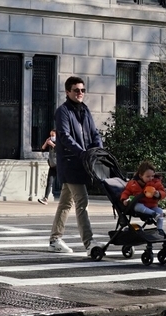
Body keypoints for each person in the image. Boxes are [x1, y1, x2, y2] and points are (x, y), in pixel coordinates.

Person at [48, 76, 103, 255]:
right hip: (71, 163)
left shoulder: (85, 110)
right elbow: (65, 136)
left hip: (83, 163)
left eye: (83, 90)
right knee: (82, 202)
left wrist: (98, 150)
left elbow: (94, 133)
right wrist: (81, 152)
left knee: (65, 202)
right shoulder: (63, 111)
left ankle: (55, 239)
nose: (80, 93)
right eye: (76, 90)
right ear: (68, 92)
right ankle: (89, 243)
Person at [120, 161, 166, 233]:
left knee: (160, 211)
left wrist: (158, 194)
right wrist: (124, 200)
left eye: (152, 176)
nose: (151, 178)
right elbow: (126, 192)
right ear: (141, 176)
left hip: (152, 206)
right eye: (148, 176)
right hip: (139, 205)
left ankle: (159, 229)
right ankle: (154, 214)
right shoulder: (132, 184)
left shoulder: (156, 183)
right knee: (137, 206)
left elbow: (163, 192)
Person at [38, 129, 58, 205]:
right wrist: (46, 142)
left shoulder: (59, 142)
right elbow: (42, 149)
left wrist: (52, 144)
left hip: (59, 166)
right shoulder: (50, 142)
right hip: (52, 166)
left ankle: (71, 198)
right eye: (50, 135)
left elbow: (59, 150)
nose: (51, 137)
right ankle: (45, 198)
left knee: (65, 183)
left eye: (53, 135)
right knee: (49, 182)